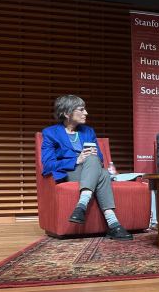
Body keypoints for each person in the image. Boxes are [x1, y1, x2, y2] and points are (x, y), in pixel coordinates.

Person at [41, 94, 133, 240]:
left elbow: (100, 158)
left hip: (91, 170)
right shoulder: (50, 133)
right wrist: (76, 160)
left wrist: (92, 156)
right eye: (81, 110)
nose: (86, 113)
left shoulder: (88, 131)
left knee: (97, 166)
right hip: (70, 172)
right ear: (67, 113)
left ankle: (82, 205)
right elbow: (48, 165)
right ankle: (113, 224)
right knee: (100, 172)